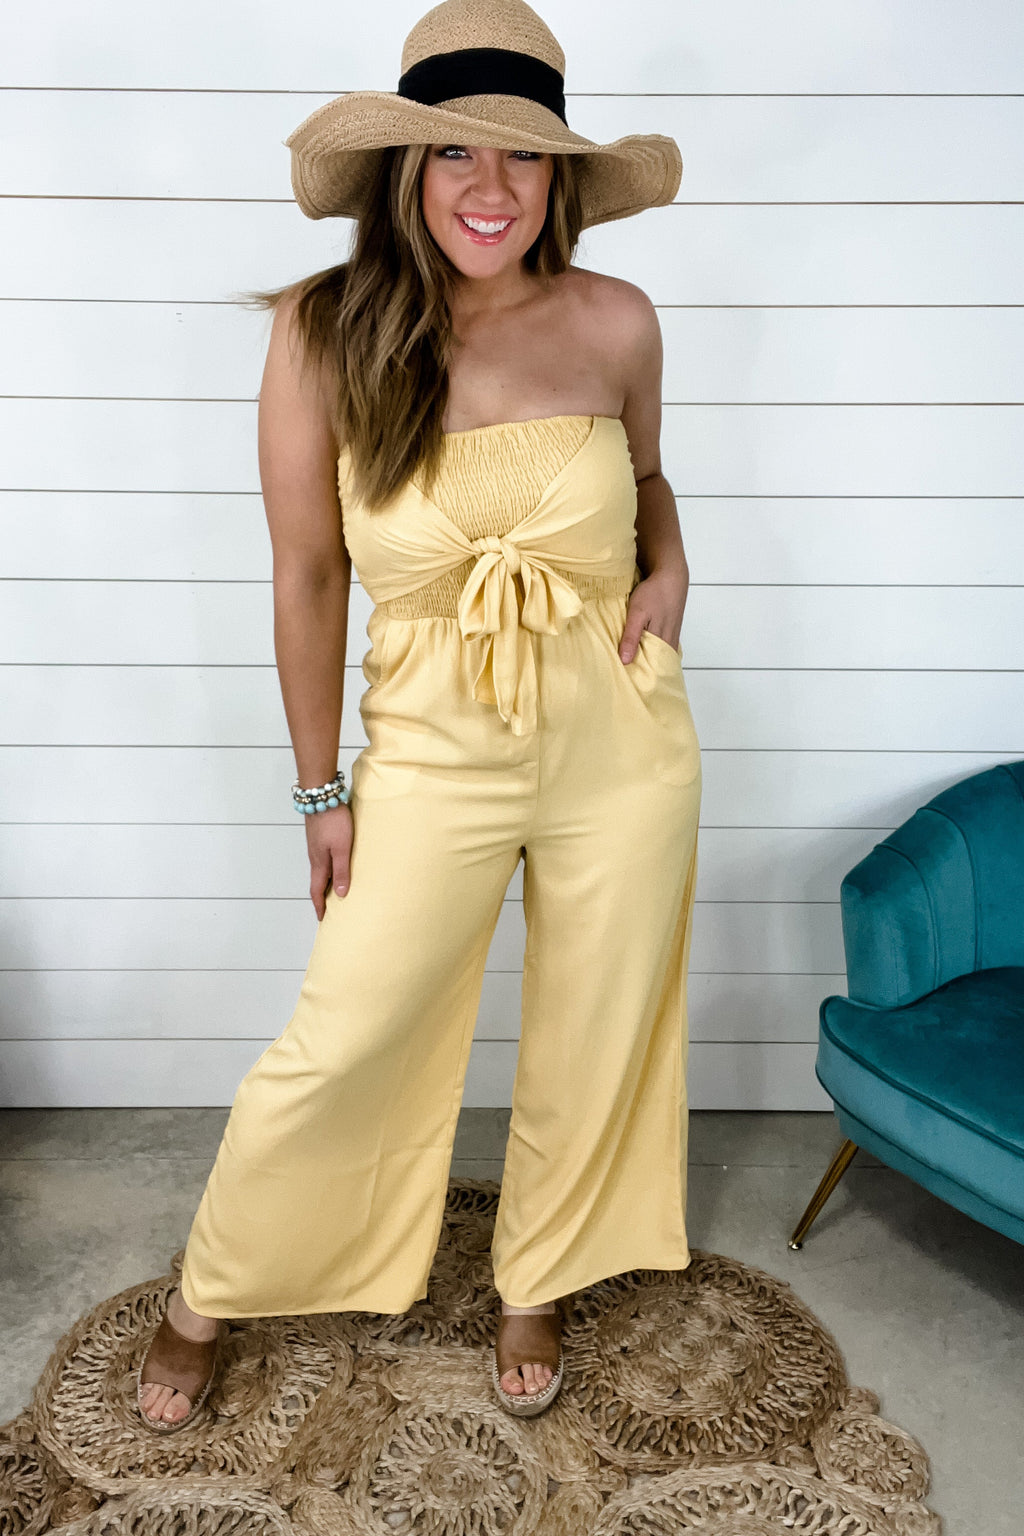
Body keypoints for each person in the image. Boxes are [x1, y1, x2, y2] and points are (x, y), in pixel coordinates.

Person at [135, 0, 701, 1432]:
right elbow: (308, 574)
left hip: (618, 731)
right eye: (455, 152)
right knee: (348, 1028)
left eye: (522, 155)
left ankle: (539, 1275)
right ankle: (211, 1290)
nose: (491, 187)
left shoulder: (618, 321)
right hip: (434, 741)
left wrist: (672, 565)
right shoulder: (323, 331)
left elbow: (645, 483)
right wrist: (320, 789)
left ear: (561, 176)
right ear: (406, 170)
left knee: (596, 1019)